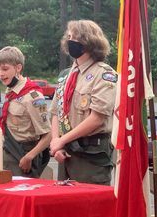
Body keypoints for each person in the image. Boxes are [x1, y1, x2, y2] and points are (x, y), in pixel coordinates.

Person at [49, 20, 117, 185]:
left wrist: (62, 140)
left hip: (91, 155)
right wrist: (55, 142)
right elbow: (56, 112)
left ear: (90, 42)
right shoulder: (66, 75)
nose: (71, 41)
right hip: (66, 153)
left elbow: (97, 118)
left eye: (77, 38)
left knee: (90, 208)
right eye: (70, 37)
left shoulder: (104, 74)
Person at [0, 46, 51, 178]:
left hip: (24, 156)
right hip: (8, 152)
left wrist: (29, 157)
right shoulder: (11, 92)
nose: (1, 74)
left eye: (5, 69)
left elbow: (48, 135)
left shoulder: (32, 96)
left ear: (18, 68)